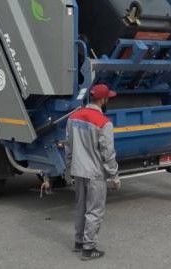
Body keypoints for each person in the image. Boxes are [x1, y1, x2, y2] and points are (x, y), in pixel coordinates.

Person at [65, 84, 121, 261]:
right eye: (107, 98)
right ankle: (89, 249)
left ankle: (79, 242)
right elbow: (108, 153)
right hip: (96, 173)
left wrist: (68, 169)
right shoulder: (104, 123)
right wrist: (114, 175)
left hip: (79, 170)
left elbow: (69, 146)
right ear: (103, 100)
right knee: (94, 210)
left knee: (81, 207)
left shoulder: (73, 118)